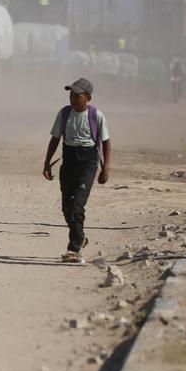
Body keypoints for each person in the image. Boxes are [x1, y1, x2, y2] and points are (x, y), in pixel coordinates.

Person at [41, 77, 111, 264]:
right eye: (71, 94)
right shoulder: (64, 114)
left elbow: (105, 142)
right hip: (69, 162)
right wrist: (47, 163)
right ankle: (80, 237)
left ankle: (74, 248)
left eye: (77, 95)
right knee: (66, 207)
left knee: (77, 204)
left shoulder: (97, 116)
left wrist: (106, 169)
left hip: (88, 164)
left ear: (87, 97)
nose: (72, 98)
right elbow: (55, 139)